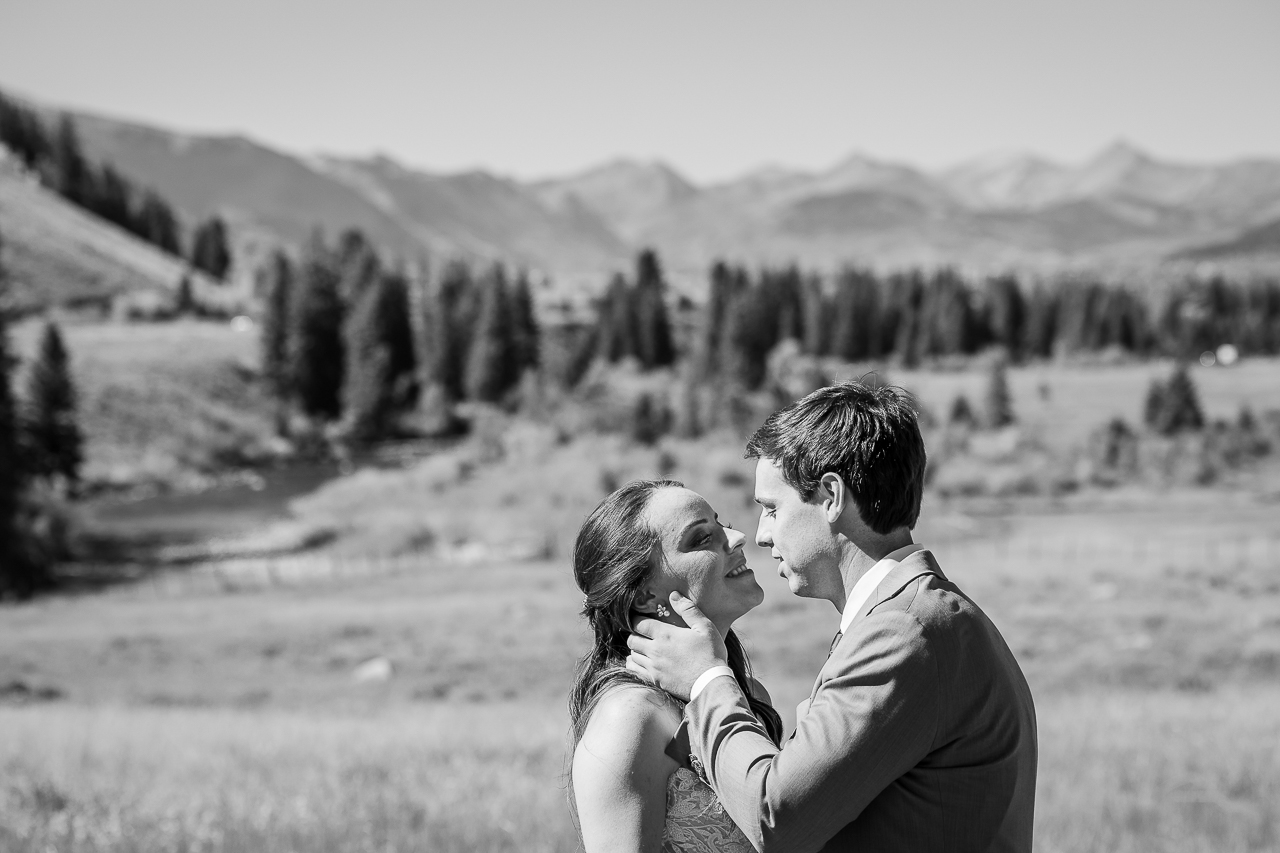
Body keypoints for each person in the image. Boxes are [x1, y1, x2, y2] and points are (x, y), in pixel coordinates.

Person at [627, 381, 1039, 852]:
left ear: (830, 497)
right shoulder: (916, 616)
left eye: (772, 509)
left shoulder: (903, 633)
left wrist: (706, 680)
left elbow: (776, 816)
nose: (760, 535)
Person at [569, 479, 785, 853]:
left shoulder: (749, 694)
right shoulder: (632, 718)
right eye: (701, 539)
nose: (736, 538)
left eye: (722, 524)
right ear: (645, 595)